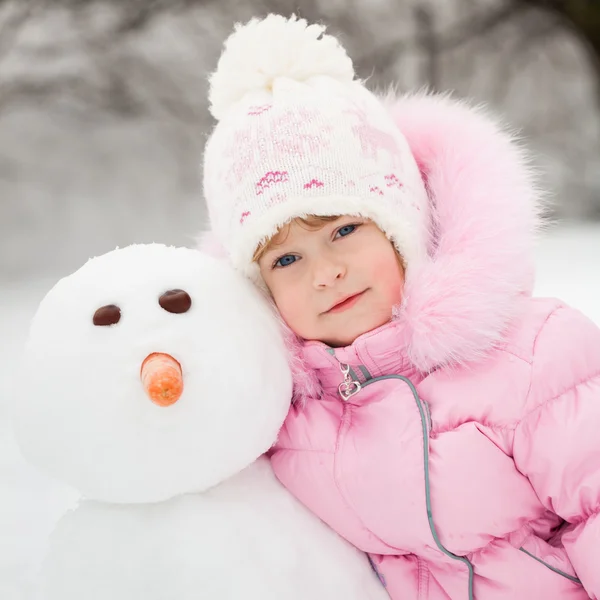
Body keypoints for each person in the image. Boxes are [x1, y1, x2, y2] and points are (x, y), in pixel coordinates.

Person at [201, 14, 600, 600]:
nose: (325, 273)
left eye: (343, 230)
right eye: (286, 260)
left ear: (402, 226)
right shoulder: (283, 412)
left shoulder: (536, 359)